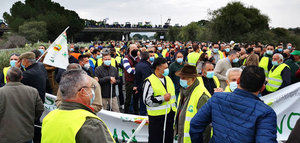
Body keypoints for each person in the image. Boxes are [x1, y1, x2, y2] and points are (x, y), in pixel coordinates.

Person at [190, 66, 277, 143]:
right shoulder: (266, 113)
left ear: (238, 81)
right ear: (262, 88)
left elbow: (195, 124)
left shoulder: (217, 98)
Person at [41, 70, 115, 143]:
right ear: (83, 92)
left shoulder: (49, 117)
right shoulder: (90, 123)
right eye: (92, 88)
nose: (93, 92)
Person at [0, 67, 44, 143]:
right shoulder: (33, 91)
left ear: (7, 78)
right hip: (26, 134)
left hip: (5, 136)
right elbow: (40, 109)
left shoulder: (1, 92)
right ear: (21, 77)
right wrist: (30, 119)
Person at [143, 57, 177, 143]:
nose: (167, 70)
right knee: (156, 139)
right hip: (157, 118)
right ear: (158, 68)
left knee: (168, 138)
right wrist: (162, 98)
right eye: (165, 68)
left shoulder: (168, 78)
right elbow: (147, 101)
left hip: (169, 115)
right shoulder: (150, 81)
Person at [174, 65, 211, 143]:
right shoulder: (184, 91)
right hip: (182, 138)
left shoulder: (202, 95)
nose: (181, 80)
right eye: (180, 77)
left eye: (184, 78)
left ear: (193, 79)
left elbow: (206, 125)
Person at [123, 44, 140, 114]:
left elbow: (140, 69)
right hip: (129, 82)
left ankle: (136, 114)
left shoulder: (139, 58)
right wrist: (137, 69)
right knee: (128, 99)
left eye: (136, 48)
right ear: (130, 50)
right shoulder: (126, 58)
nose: (135, 50)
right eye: (134, 48)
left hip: (136, 81)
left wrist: (135, 68)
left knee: (136, 99)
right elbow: (129, 71)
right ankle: (126, 114)